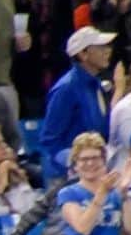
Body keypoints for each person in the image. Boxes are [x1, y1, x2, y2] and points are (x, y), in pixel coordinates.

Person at [39, 27, 118, 186]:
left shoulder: (96, 85)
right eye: (100, 48)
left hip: (93, 172)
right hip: (66, 179)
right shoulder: (66, 88)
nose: (107, 51)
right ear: (83, 54)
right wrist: (76, 163)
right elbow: (50, 140)